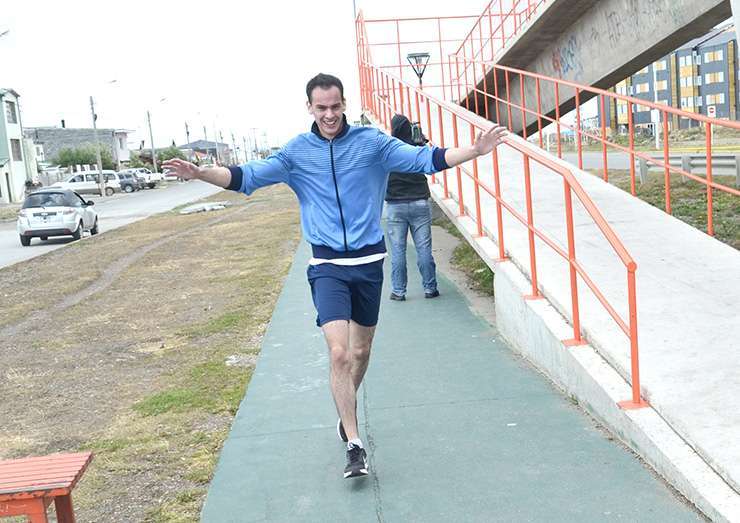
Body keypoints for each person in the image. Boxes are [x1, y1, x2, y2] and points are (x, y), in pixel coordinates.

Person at [162, 73, 507, 479]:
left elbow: (424, 159)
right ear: (309, 107)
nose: (329, 114)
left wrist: (476, 150)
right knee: (339, 352)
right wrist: (200, 173)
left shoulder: (371, 143)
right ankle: (354, 443)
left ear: (344, 104)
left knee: (360, 353)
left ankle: (346, 411)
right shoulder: (295, 153)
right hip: (326, 266)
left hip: (368, 263)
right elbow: (243, 177)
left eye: (335, 106)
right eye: (321, 107)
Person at [385, 114, 438, 301]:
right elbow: (430, 159)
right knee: (424, 248)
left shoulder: (387, 148)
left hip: (395, 205)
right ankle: (430, 288)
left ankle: (399, 291)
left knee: (398, 250)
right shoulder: (416, 146)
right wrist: (421, 139)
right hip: (419, 202)